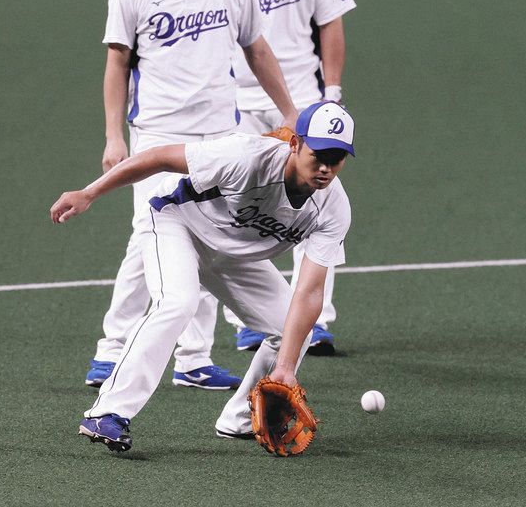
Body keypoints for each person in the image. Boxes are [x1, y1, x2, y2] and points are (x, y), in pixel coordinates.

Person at [85, 0, 298, 392]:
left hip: (219, 133)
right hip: (157, 131)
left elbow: (258, 49)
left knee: (207, 235)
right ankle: (113, 350)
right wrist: (114, 136)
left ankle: (192, 358)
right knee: (154, 236)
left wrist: (290, 112)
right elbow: (118, 64)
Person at [51, 101, 355, 451]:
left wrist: (285, 368)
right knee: (178, 302)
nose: (326, 168)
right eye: (318, 155)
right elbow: (159, 157)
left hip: (232, 253)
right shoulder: (246, 156)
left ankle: (241, 418)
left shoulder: (333, 209)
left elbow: (310, 292)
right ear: (295, 144)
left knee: (295, 328)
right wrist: (89, 193)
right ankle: (107, 413)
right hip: (176, 221)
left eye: (337, 158)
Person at [208, 0, 356, 355]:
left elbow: (330, 23)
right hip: (238, 105)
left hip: (306, 107)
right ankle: (250, 320)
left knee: (317, 204)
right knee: (239, 206)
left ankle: (314, 321)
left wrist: (330, 92)